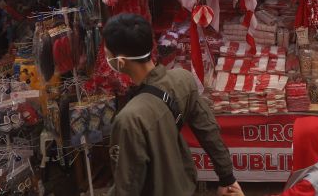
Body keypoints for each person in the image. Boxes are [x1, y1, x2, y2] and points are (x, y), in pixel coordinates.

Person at [102, 13, 240, 196]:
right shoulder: (182, 80)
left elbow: (127, 185)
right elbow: (209, 131)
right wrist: (227, 178)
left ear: (120, 62)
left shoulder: (129, 119)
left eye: (107, 53)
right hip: (186, 185)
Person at [226, 116, 318, 196]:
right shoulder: (314, 159)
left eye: (296, 142)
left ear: (306, 146)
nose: (292, 145)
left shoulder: (310, 183)